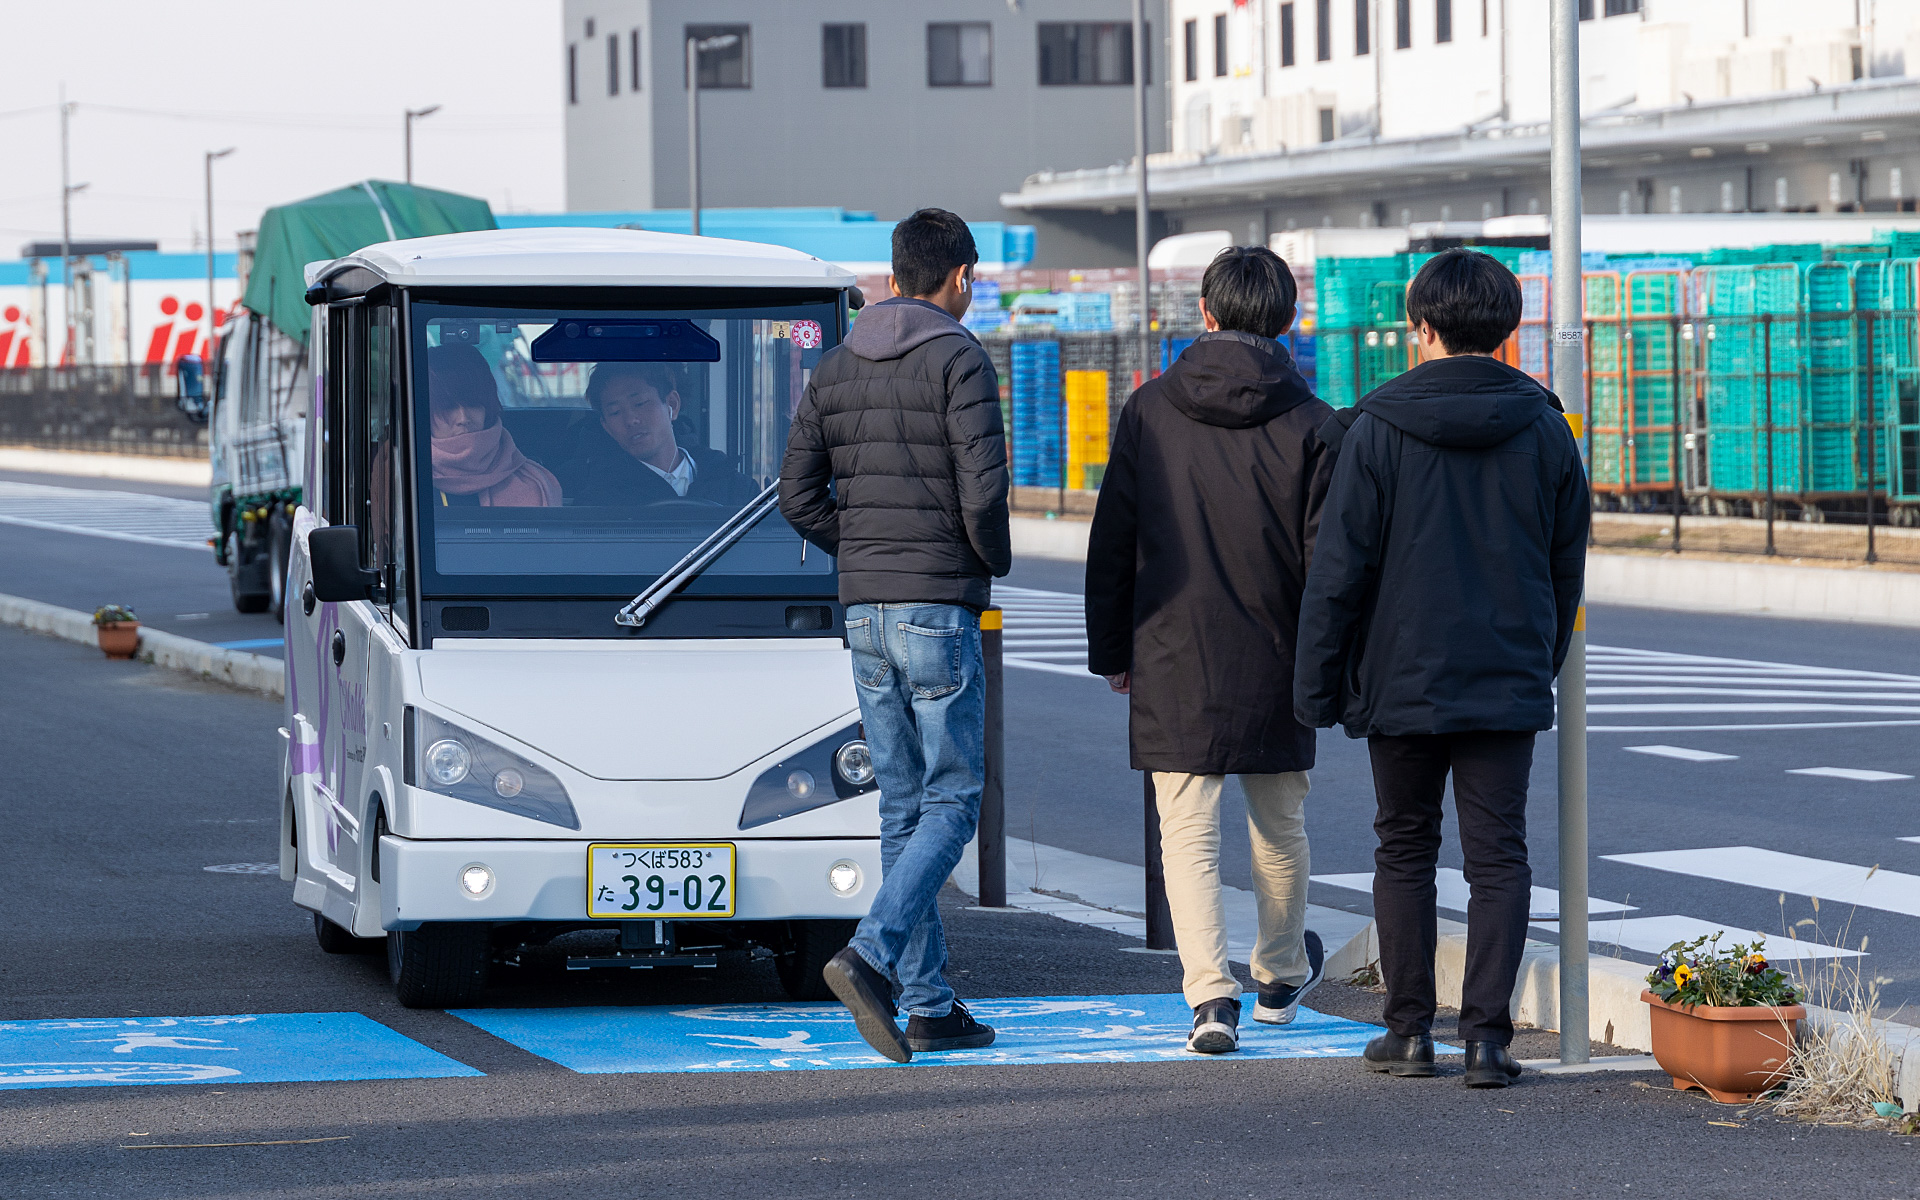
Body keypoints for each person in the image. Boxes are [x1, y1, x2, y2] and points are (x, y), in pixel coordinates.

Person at [1294, 248, 1590, 1089]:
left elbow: (1339, 568)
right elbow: (1566, 564)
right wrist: (1542, 656)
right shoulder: (1544, 426)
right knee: (1499, 855)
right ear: (1509, 329)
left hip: (1402, 673)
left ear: (1420, 328)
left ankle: (1409, 1031)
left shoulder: (1378, 426)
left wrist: (1317, 685)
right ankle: (1489, 1042)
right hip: (1506, 671)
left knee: (1405, 847)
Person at [1084, 246, 1334, 1055]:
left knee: (1186, 830)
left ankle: (1209, 1000)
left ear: (1206, 310)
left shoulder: (1152, 410)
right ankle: (1280, 975)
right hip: (1279, 650)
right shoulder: (1314, 421)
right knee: (1280, 823)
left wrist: (1109, 645)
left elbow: (1115, 538)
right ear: (1286, 319)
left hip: (1172, 646)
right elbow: (1330, 558)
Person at [779, 207, 1010, 1063]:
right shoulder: (959, 357)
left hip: (864, 610)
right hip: (936, 604)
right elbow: (983, 493)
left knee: (901, 804)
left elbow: (797, 497)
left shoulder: (835, 366)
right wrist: (983, 559)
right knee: (954, 798)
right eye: (971, 280)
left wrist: (867, 545)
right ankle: (872, 956)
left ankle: (928, 1001)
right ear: (957, 278)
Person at [567, 362, 758, 507]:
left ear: (672, 405)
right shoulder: (597, 504)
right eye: (615, 412)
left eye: (640, 403)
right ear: (607, 427)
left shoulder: (737, 488)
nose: (631, 420)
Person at [427, 345, 562, 508]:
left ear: (488, 407)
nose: (463, 418)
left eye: (474, 404)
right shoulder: (398, 477)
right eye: (447, 407)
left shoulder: (536, 484)